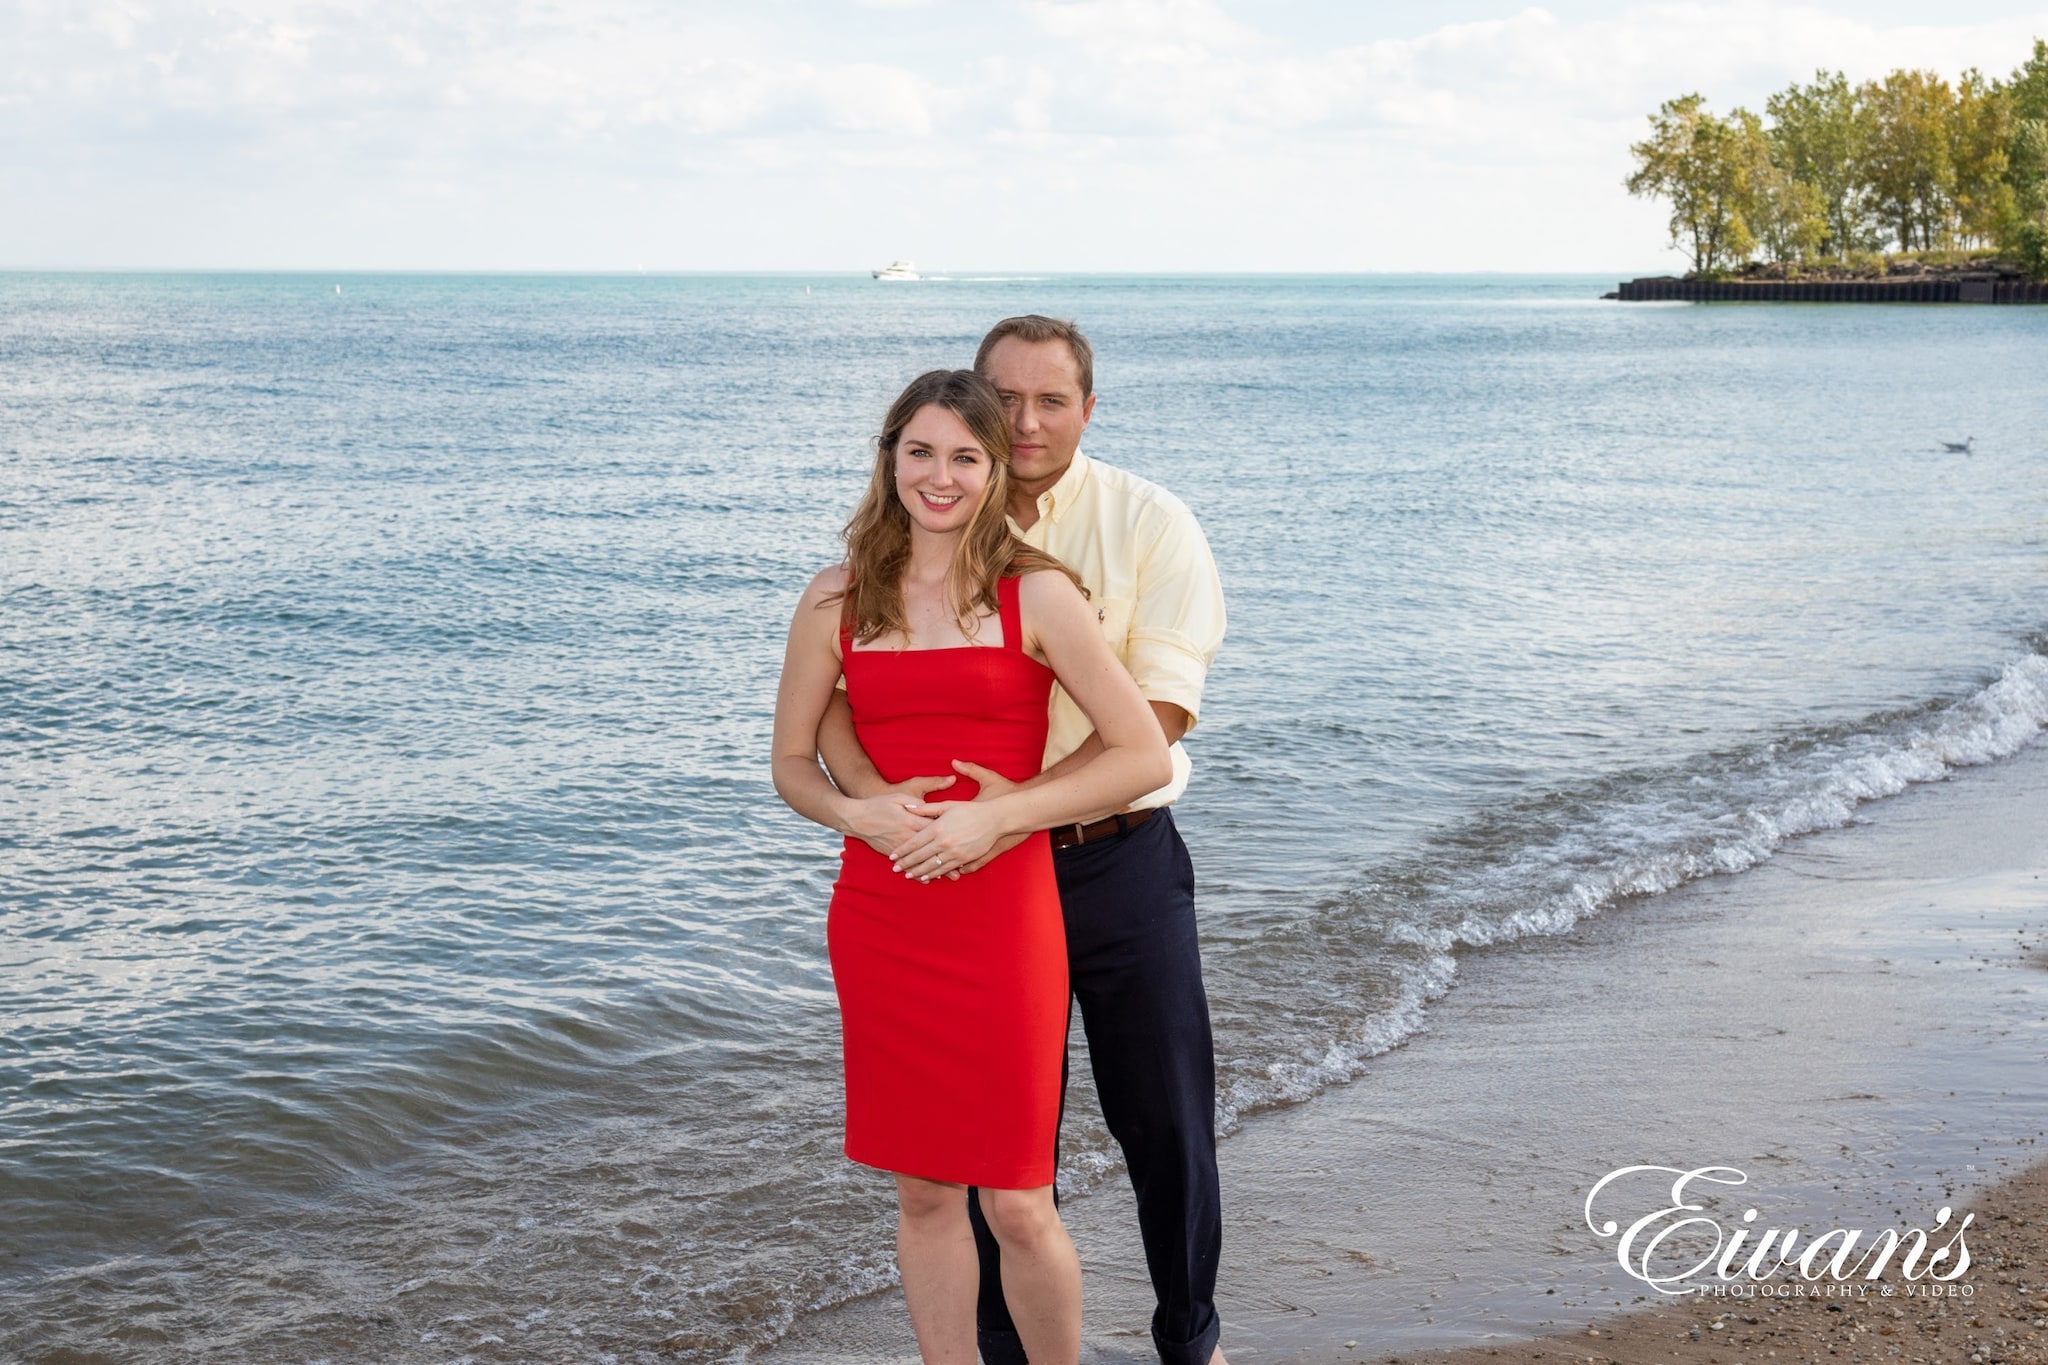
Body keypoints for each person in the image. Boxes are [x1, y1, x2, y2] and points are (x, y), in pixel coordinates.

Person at [817, 317, 1230, 1365]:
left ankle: (1191, 1341)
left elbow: (1159, 714)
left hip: (1111, 859)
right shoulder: (920, 525)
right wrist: (874, 798)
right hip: (952, 884)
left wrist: (1011, 808)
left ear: (1088, 408)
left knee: (1165, 1124)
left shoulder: (1144, 522)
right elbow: (837, 685)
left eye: (1051, 400)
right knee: (992, 1157)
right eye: (1003, 398)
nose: (1025, 420)